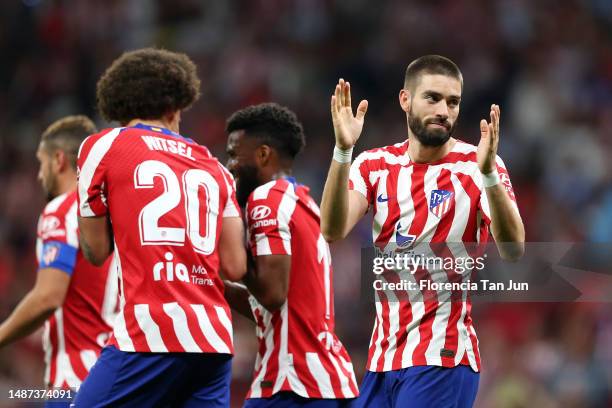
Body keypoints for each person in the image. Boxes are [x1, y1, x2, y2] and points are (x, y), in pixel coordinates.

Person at [320, 55, 525, 407]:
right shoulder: (373, 164)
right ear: (405, 100)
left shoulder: (476, 166)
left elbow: (513, 248)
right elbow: (332, 228)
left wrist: (490, 175)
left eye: (453, 102)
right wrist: (342, 150)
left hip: (441, 358)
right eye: (432, 98)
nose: (444, 110)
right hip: (383, 360)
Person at [73, 48, 246, 407]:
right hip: (213, 341)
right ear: (173, 108)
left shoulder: (102, 146)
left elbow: (96, 250)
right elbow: (234, 267)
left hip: (149, 335)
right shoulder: (215, 167)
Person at [223, 103, 358, 407]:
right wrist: (214, 286)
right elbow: (280, 306)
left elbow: (272, 294)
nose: (230, 165)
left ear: (262, 154)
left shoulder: (265, 200)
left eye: (234, 154)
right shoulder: (304, 204)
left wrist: (231, 256)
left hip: (292, 383)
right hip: (327, 382)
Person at [0, 115, 118, 406]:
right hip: (121, 375)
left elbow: (47, 297)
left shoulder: (62, 210)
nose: (40, 175)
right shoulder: (114, 214)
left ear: (59, 159)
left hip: (77, 381)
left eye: (41, 164)